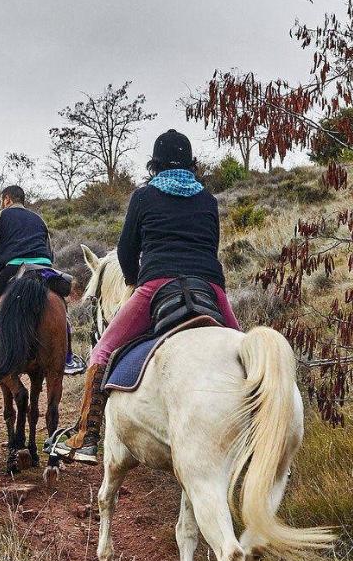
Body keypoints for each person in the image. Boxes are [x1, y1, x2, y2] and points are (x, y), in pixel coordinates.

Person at [50, 130, 240, 464]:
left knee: (102, 350)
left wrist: (138, 282)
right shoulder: (208, 200)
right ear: (191, 164)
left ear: (155, 165)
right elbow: (211, 248)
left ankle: (87, 437)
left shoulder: (143, 197)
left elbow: (126, 251)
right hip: (209, 288)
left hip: (156, 284)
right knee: (246, 348)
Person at [0, 185, 87, 375]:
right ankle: (67, 359)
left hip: (15, 269)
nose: (1, 203)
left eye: (1, 200)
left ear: (7, 199)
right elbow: (50, 251)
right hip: (45, 270)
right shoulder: (39, 219)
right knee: (61, 309)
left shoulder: (0, 217)